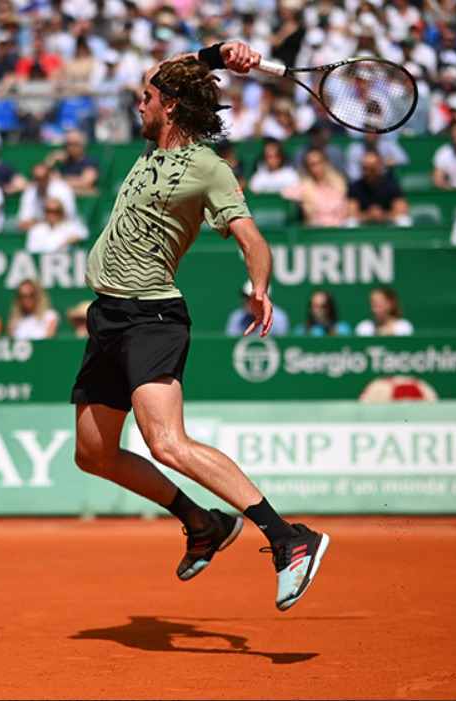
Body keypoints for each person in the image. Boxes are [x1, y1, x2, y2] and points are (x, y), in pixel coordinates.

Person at [71, 43, 329, 613]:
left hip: (151, 316)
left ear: (169, 107)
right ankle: (202, 522)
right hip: (108, 316)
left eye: (147, 98)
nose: (139, 101)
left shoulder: (210, 168)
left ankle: (288, 538)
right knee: (93, 454)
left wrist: (260, 286)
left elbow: (250, 237)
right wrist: (217, 53)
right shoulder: (150, 144)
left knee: (166, 442)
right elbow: (164, 71)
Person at [282, 147, 349, 227]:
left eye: (319, 162)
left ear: (326, 163)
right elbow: (285, 193)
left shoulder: (339, 184)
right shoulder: (304, 187)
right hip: (315, 233)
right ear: (307, 168)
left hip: (339, 230)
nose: (317, 168)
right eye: (312, 165)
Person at [347, 152, 411, 227]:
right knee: (350, 222)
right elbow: (351, 213)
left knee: (404, 221)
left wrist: (383, 215)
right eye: (364, 168)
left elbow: (401, 211)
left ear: (379, 167)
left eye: (372, 169)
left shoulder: (392, 186)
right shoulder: (355, 187)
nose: (367, 172)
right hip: (364, 225)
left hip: (388, 225)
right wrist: (369, 216)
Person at [17, 162, 77, 231]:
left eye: (43, 177)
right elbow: (23, 222)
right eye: (37, 178)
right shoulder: (29, 192)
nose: (40, 181)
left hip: (63, 230)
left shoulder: (62, 189)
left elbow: (68, 217)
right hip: (38, 231)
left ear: (49, 176)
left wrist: (38, 223)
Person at [45, 128, 99, 195]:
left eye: (74, 144)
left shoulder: (90, 161)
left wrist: (59, 181)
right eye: (68, 144)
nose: (70, 147)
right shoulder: (61, 163)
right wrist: (50, 161)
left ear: (82, 145)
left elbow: (85, 183)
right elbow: (45, 180)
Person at [225, 280, 289, 337]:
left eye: (253, 298)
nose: (248, 301)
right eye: (246, 297)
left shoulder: (278, 318)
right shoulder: (237, 317)